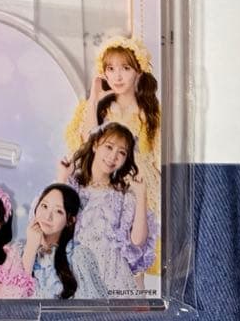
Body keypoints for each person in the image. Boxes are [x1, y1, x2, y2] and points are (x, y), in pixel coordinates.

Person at [64, 35, 161, 273]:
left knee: (135, 257)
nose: (117, 76)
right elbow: (86, 141)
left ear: (138, 71)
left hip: (139, 185)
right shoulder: (101, 108)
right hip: (105, 186)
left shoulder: (149, 112)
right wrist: (94, 98)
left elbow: (159, 155)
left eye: (125, 68)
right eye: (110, 69)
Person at [57, 122, 156, 294]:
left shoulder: (124, 195)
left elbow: (138, 241)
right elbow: (54, 225)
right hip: (77, 272)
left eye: (122, 152)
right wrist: (62, 178)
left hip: (114, 276)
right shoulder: (73, 187)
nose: (113, 156)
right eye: (109, 147)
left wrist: (141, 195)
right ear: (95, 145)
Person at [21, 183, 106, 299]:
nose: (47, 216)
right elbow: (13, 298)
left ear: (70, 220)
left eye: (58, 211)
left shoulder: (78, 256)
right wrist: (30, 249)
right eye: (44, 206)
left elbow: (93, 305)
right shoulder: (19, 251)